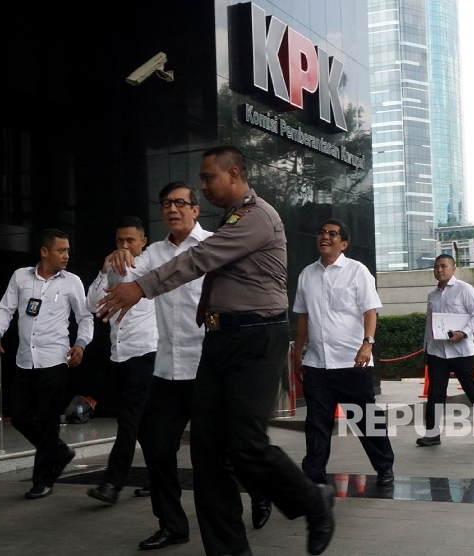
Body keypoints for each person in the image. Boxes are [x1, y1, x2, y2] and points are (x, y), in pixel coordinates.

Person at [96, 146, 335, 556]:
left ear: (234, 173)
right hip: (220, 342)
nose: (203, 187)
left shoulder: (256, 216)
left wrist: (141, 288)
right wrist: (117, 264)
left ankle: (315, 501)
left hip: (256, 339)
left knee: (245, 442)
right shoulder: (228, 220)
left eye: (208, 178)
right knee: (207, 457)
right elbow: (147, 263)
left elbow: (203, 257)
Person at [113, 182, 272, 550]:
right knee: (157, 450)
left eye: (181, 203)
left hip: (209, 369)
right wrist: (116, 261)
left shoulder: (217, 245)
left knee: (225, 453)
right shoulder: (152, 253)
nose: (173, 209)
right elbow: (126, 282)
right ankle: (172, 525)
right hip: (167, 370)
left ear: (195, 210)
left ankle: (259, 491)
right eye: (166, 203)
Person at [0, 228, 94, 499]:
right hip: (25, 359)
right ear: (44, 252)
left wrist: (80, 344)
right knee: (20, 417)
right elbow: (5, 309)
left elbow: (85, 317)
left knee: (47, 421)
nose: (66, 255)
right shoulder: (21, 277)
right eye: (61, 250)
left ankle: (42, 479)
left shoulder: (72, 282)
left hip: (56, 360)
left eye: (68, 250)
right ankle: (59, 451)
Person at [292, 219, 395, 486]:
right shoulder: (306, 275)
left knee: (366, 421)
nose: (325, 236)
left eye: (332, 234)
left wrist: (367, 343)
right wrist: (297, 354)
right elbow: (303, 318)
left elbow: (369, 311)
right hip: (317, 363)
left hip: (352, 363)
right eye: (322, 232)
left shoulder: (357, 271)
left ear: (344, 243)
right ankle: (313, 475)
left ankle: (385, 467)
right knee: (316, 424)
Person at [85, 217, 158, 504]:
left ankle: (112, 483)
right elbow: (91, 305)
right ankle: (160, 475)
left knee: (128, 421)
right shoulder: (111, 271)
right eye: (120, 241)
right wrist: (104, 271)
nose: (124, 246)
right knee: (141, 424)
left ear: (143, 242)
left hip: (146, 352)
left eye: (130, 240)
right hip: (119, 353)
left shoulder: (152, 265)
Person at [416, 254, 474, 446]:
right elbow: (430, 324)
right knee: (435, 392)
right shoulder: (432, 295)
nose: (439, 270)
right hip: (437, 351)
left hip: (461, 350)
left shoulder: (464, 289)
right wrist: (426, 347)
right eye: (436, 267)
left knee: (472, 389)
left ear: (453, 269)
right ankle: (432, 434)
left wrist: (464, 333)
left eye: (443, 266)